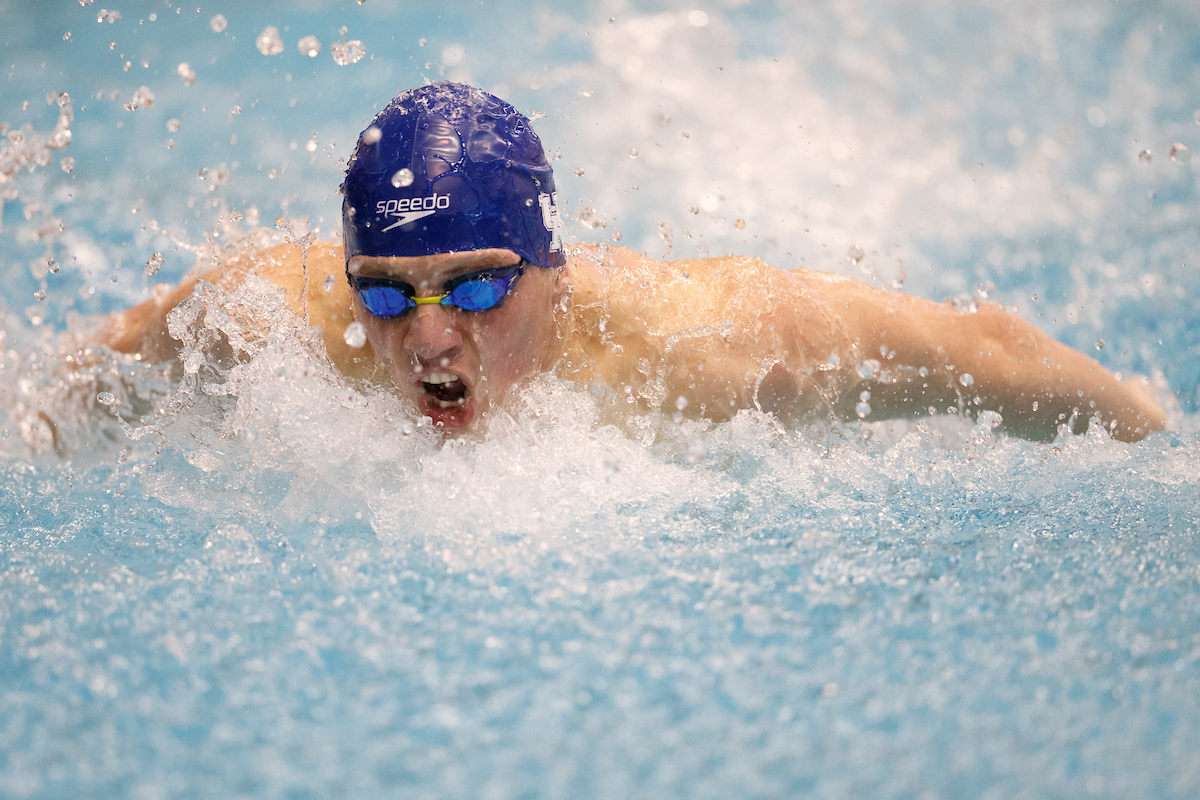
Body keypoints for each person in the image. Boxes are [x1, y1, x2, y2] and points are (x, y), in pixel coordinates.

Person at [96, 82, 1166, 442]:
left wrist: (1166, 454)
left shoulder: (708, 345)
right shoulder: (271, 321)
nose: (426, 336)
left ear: (554, 270)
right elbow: (111, 359)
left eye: (476, 285)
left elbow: (992, 348)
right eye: (386, 291)